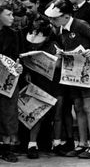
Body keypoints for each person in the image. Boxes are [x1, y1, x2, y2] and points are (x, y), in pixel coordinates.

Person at [45, 0, 90, 159]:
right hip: (72, 73)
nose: (52, 21)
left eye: (55, 18)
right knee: (78, 107)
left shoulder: (80, 25)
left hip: (87, 71)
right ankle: (82, 143)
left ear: (65, 16)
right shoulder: (60, 29)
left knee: (88, 107)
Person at [23, 15, 63, 159]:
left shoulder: (54, 45)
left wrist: (56, 59)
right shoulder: (29, 44)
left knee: (57, 115)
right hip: (38, 83)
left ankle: (57, 143)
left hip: (55, 84)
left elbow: (59, 64)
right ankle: (32, 144)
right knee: (37, 115)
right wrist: (27, 71)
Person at [0, 0, 23, 163]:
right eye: (8, 14)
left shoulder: (14, 34)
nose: (12, 17)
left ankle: (7, 146)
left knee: (8, 111)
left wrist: (18, 65)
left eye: (13, 14)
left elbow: (17, 55)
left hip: (9, 78)